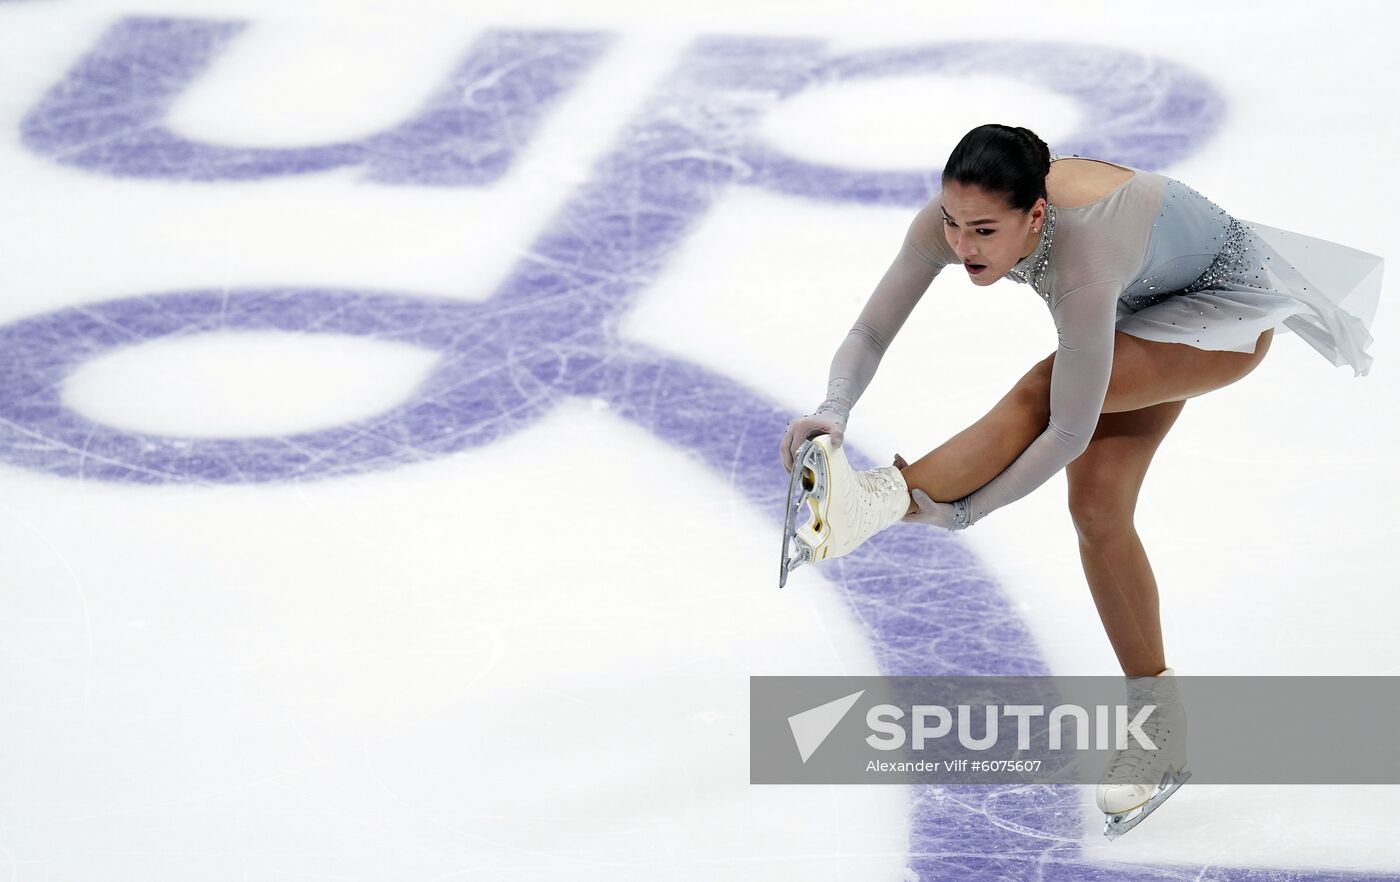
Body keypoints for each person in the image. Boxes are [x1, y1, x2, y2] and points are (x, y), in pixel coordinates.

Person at [776, 123, 1383, 837]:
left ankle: (870, 503)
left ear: (1035, 216)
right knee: (1098, 511)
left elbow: (1066, 429)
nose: (963, 245)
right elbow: (871, 331)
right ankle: (1160, 726)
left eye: (983, 231)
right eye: (951, 222)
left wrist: (966, 513)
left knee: (1045, 387)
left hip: (1227, 311)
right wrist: (834, 410)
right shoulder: (958, 219)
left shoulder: (1085, 256)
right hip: (1142, 301)